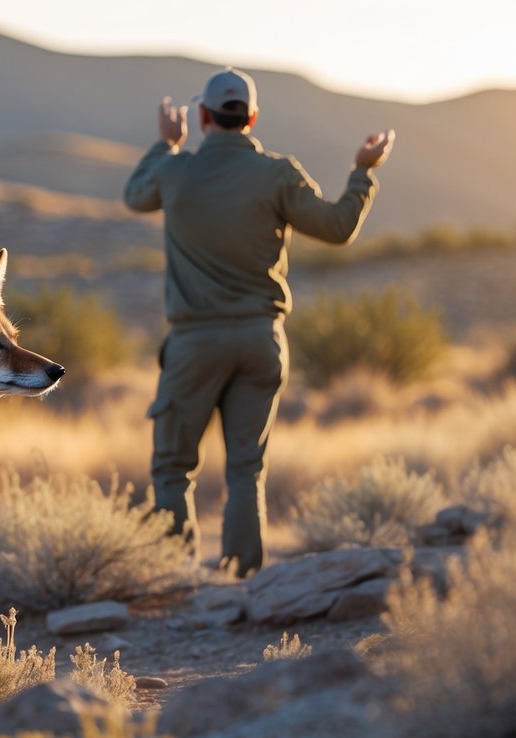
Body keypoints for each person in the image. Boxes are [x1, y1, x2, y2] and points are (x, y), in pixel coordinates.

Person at [123, 67, 395, 576]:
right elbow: (338, 228)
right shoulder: (278, 173)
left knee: (172, 467)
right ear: (251, 118)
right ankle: (244, 578)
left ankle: (174, 579)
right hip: (260, 340)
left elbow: (135, 195)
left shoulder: (175, 171)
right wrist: (362, 171)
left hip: (194, 344)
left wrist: (167, 144)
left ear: (203, 117)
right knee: (247, 467)